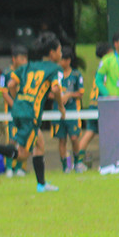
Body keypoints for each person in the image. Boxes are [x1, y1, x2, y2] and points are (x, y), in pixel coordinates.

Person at [0, 31, 66, 192]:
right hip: (31, 114)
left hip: (17, 109)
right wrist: (60, 106)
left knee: (39, 144)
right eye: (60, 50)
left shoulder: (28, 66)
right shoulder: (55, 69)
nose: (61, 53)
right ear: (52, 53)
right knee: (23, 154)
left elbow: (10, 85)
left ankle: (41, 184)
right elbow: (56, 89)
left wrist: (20, 102)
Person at [74, 41, 110, 173]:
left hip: (92, 104)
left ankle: (78, 161)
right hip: (102, 105)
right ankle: (109, 160)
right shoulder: (108, 68)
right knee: (108, 133)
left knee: (89, 132)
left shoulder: (99, 70)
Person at [53, 45, 83, 173]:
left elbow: (81, 93)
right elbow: (49, 92)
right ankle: (65, 166)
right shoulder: (55, 75)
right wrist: (58, 97)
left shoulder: (76, 74)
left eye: (62, 60)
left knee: (74, 137)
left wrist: (69, 95)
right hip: (58, 111)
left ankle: (77, 162)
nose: (60, 63)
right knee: (62, 139)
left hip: (72, 110)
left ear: (68, 60)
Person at [1, 44, 29, 177]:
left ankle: (19, 167)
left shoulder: (26, 73)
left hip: (24, 114)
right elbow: (4, 93)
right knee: (11, 139)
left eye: (26, 59)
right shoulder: (6, 73)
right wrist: (15, 106)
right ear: (14, 59)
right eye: (22, 59)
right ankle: (8, 168)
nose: (25, 62)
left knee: (22, 139)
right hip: (11, 114)